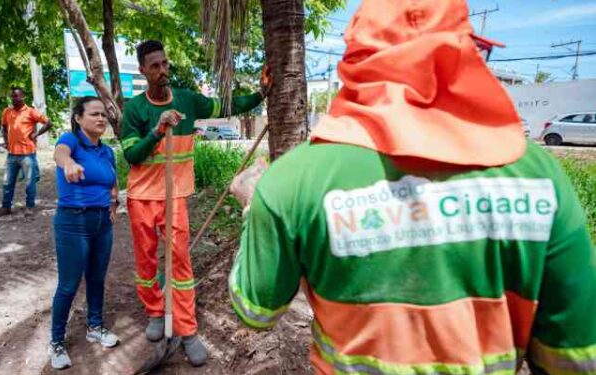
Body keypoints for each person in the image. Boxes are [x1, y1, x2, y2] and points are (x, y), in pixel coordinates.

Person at [228, 1, 596, 375]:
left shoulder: (291, 180)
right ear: (466, 52)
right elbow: (576, 358)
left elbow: (255, 310)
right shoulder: (540, 177)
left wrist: (251, 205)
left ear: (355, 59)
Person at [120, 39, 271, 367]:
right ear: (143, 71)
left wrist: (261, 94)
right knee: (147, 264)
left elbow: (226, 106)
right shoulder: (134, 109)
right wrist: (158, 131)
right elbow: (132, 155)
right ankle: (157, 313)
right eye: (154, 66)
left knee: (181, 265)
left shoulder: (187, 100)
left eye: (165, 63)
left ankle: (188, 331)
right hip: (142, 198)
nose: (162, 70)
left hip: (175, 197)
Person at [49, 97, 120, 370]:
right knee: (68, 285)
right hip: (73, 222)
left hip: (102, 222)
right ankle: (56, 341)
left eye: (103, 114)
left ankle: (95, 326)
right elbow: (60, 153)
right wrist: (67, 164)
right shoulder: (71, 140)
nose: (101, 119)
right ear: (79, 118)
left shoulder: (107, 151)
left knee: (97, 278)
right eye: (94, 114)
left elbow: (112, 182)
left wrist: (114, 202)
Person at [0, 87, 52, 216]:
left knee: (29, 183)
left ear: (22, 97)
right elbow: (4, 128)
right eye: (12, 96)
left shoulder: (31, 112)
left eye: (16, 96)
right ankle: (6, 207)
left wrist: (36, 134)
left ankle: (30, 207)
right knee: (7, 182)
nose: (13, 98)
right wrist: (6, 142)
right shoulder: (7, 112)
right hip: (12, 154)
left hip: (27, 153)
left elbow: (48, 123)